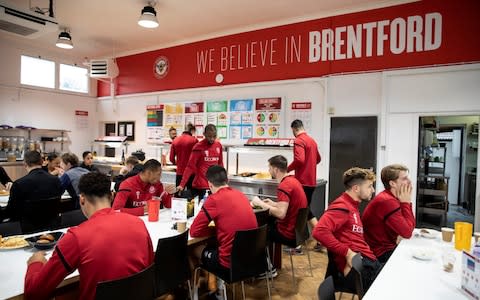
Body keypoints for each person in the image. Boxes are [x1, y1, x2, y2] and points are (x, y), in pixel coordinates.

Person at [24, 172, 154, 300]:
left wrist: (35, 263)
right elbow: (148, 268)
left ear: (82, 199)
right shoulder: (138, 223)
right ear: (112, 196)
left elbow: (33, 293)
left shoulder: (76, 237)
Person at [190, 165, 258, 298]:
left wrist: (215, 229)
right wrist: (220, 228)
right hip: (251, 259)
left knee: (194, 249)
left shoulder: (214, 200)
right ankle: (216, 287)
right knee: (215, 245)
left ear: (209, 183)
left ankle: (199, 293)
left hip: (229, 263)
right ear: (227, 180)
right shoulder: (241, 195)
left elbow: (194, 231)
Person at [313, 167, 382, 293]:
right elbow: (319, 231)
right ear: (356, 188)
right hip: (358, 268)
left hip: (366, 262)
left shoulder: (352, 206)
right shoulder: (342, 206)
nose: (372, 190)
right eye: (369, 186)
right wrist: (348, 253)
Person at [251, 155, 307, 250]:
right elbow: (291, 206)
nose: (269, 171)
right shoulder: (294, 181)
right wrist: (274, 204)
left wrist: (260, 203)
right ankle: (272, 262)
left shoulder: (284, 186)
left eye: (269, 168)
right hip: (299, 233)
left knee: (257, 232)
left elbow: (281, 214)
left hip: (288, 234)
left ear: (276, 169)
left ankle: (265, 264)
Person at [362, 164, 415, 263]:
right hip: (380, 255)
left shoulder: (391, 197)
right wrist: (406, 203)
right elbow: (407, 232)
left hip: (385, 249)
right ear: (392, 183)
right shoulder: (387, 201)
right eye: (404, 178)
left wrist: (406, 203)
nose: (409, 181)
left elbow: (409, 227)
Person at [2, 151, 62, 228]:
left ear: (25, 164)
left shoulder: (19, 184)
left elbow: (11, 212)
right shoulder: (56, 180)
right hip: (52, 226)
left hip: (26, 228)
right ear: (41, 162)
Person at [287, 120, 321, 228]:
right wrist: (309, 165)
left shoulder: (299, 140)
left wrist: (287, 169)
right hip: (311, 181)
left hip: (302, 182)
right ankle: (317, 235)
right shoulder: (312, 141)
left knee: (302, 211)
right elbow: (318, 159)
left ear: (294, 129)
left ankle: (320, 234)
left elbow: (299, 160)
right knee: (305, 209)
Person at [177, 124, 223, 200]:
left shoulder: (218, 146)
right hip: (201, 186)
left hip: (215, 186)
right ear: (204, 134)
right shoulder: (198, 147)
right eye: (209, 136)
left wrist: (223, 182)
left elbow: (220, 164)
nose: (212, 139)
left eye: (214, 136)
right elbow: (190, 166)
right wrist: (182, 184)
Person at [169, 123, 198, 188]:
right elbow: (198, 158)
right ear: (192, 131)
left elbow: (171, 158)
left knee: (178, 195)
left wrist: (177, 164)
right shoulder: (195, 140)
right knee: (191, 195)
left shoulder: (175, 140)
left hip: (180, 172)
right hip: (191, 173)